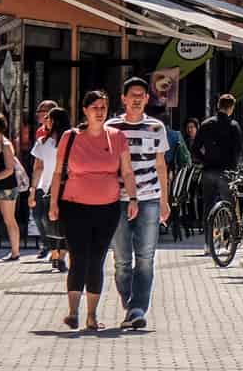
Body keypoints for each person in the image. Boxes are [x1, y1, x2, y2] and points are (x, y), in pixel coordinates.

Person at [50, 90, 141, 332]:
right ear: (85, 111)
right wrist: (53, 204)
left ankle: (91, 315)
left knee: (97, 260)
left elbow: (128, 172)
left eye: (103, 107)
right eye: (95, 107)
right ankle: (72, 312)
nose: (99, 112)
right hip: (74, 206)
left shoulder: (117, 137)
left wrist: (133, 198)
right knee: (78, 257)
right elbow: (58, 173)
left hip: (107, 208)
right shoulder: (70, 137)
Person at [108, 78, 169, 330]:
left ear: (147, 99)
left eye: (141, 95)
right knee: (122, 259)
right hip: (117, 199)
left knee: (145, 257)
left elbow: (161, 165)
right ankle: (129, 301)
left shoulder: (156, 127)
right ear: (123, 98)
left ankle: (138, 307)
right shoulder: (112, 127)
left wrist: (165, 200)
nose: (136, 99)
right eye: (132, 94)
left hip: (149, 198)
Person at [28, 104, 68, 272]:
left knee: (48, 223)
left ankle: (55, 255)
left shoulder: (43, 142)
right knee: (65, 224)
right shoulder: (73, 139)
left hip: (47, 188)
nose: (46, 122)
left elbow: (37, 167)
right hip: (67, 188)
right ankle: (60, 256)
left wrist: (33, 188)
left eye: (48, 119)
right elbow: (37, 166)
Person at [192, 93, 243, 223]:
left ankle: (208, 239)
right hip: (227, 171)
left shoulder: (205, 124)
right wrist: (235, 167)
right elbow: (238, 150)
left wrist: (205, 160)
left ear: (218, 106)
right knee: (230, 205)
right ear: (231, 108)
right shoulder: (233, 125)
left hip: (209, 170)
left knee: (208, 206)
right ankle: (232, 235)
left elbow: (195, 148)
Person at [0, 113, 24, 260]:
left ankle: (15, 252)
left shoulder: (6, 145)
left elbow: (9, 169)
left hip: (7, 186)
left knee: (9, 219)